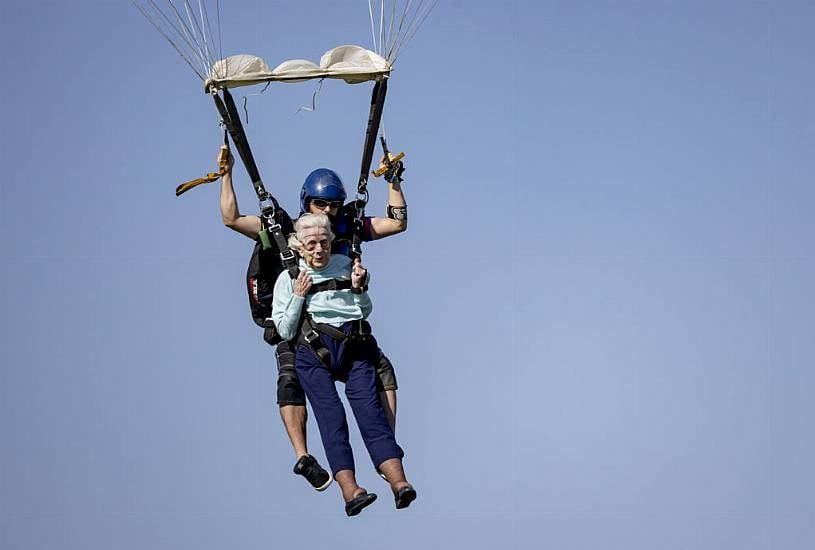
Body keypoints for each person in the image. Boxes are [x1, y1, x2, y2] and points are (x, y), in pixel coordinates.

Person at [218, 146, 408, 490]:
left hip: (344, 326)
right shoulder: (286, 231)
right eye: (321, 204)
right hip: (299, 325)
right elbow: (232, 219)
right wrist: (227, 175)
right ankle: (303, 457)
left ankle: (384, 448)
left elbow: (396, 222)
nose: (328, 210)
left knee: (383, 371)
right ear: (307, 202)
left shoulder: (347, 230)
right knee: (290, 379)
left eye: (334, 205)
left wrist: (393, 180)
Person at [272, 213, 416, 516]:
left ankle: (399, 483)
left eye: (324, 243)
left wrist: (359, 288)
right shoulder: (288, 278)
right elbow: (284, 331)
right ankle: (350, 492)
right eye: (311, 244)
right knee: (331, 418)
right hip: (313, 353)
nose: (319, 250)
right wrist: (298, 296)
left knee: (370, 413)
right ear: (300, 246)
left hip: (353, 346)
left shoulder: (346, 266)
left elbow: (364, 309)